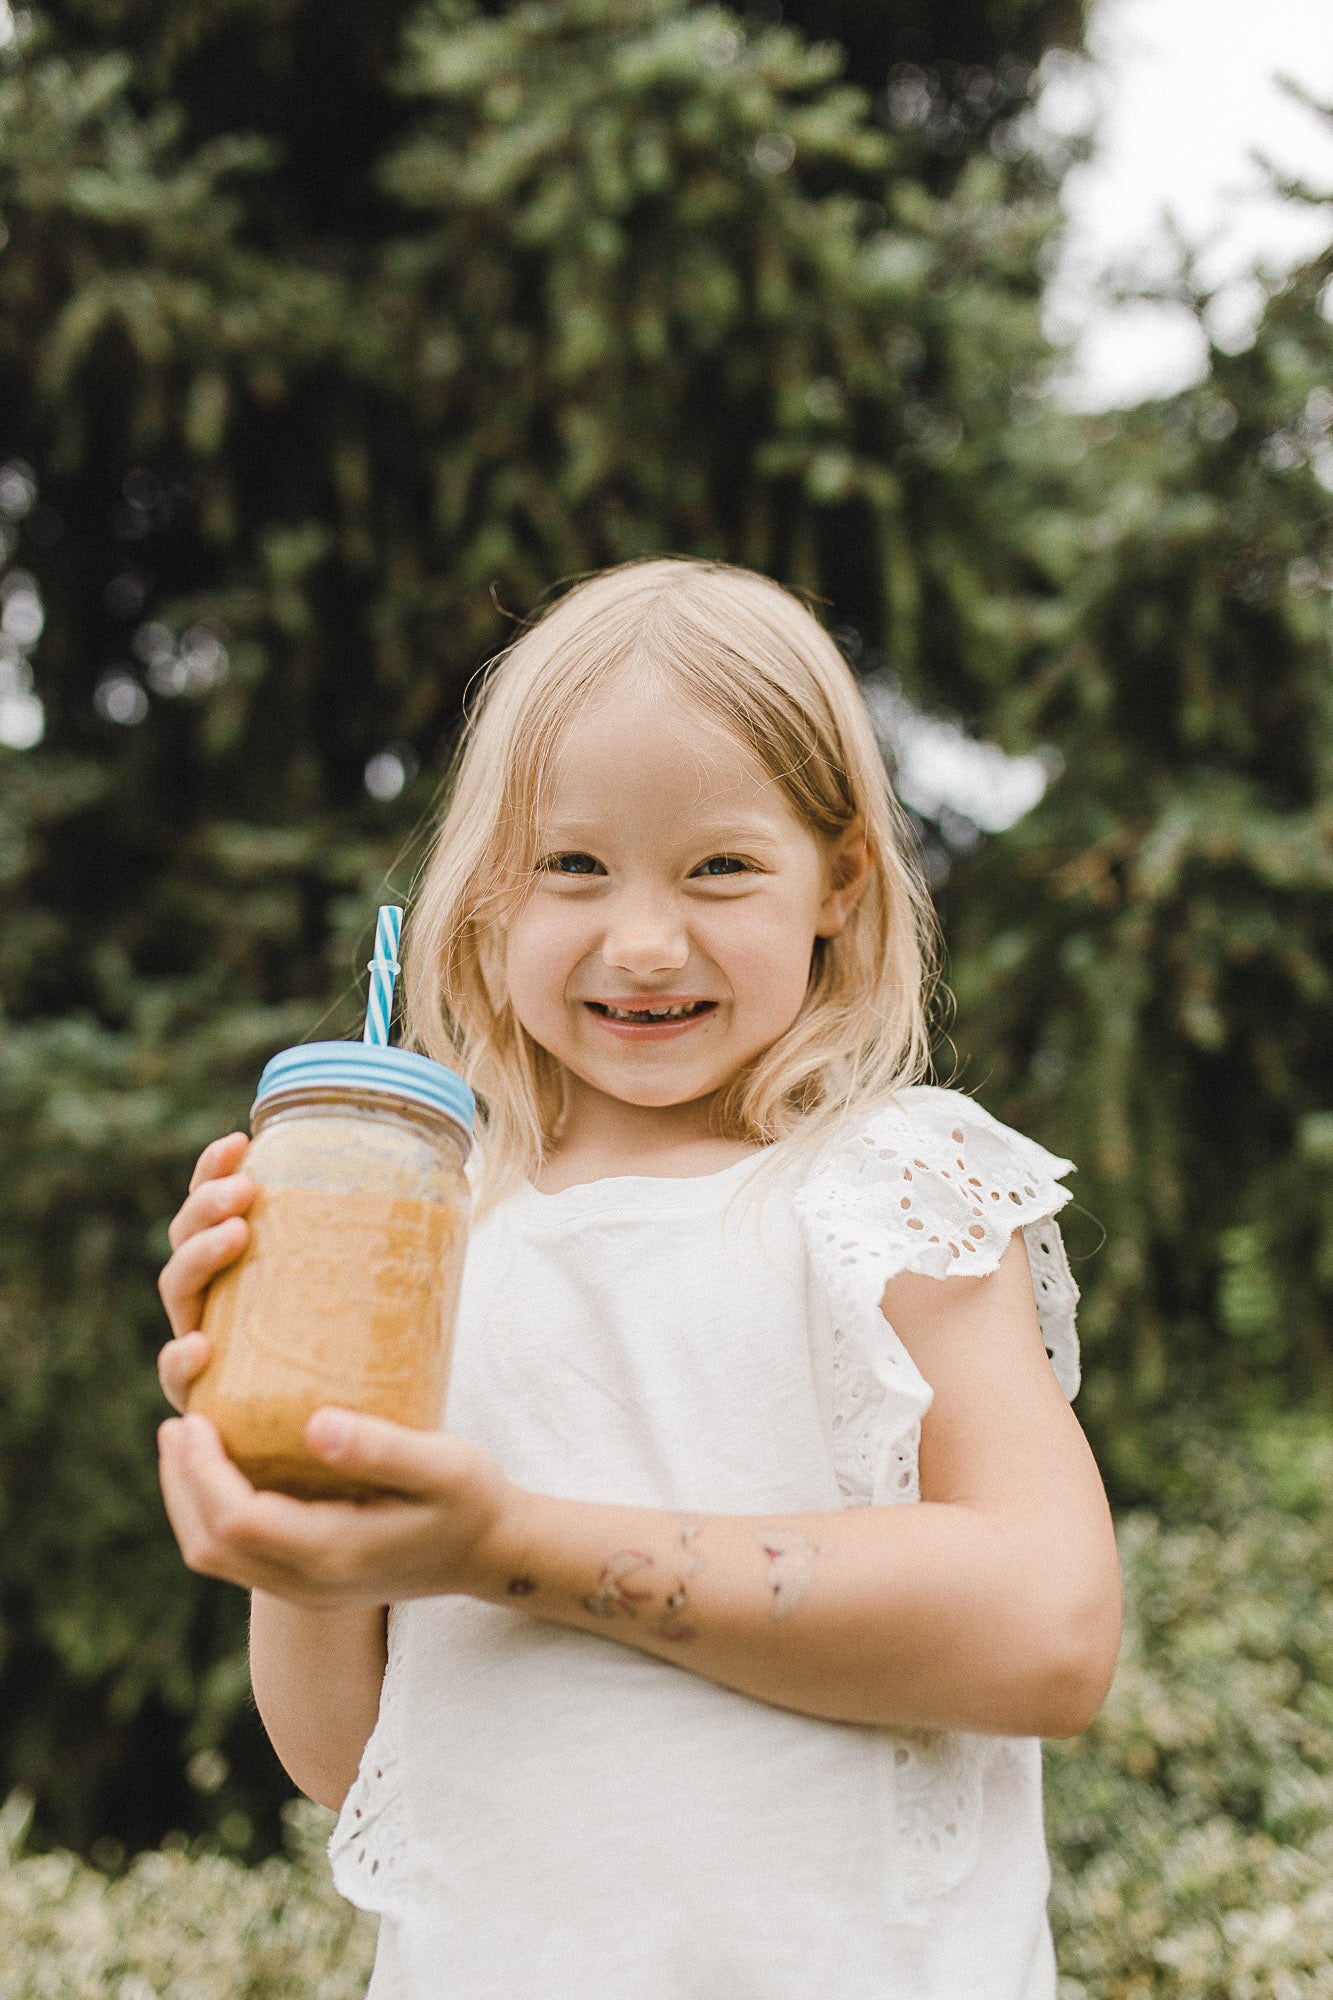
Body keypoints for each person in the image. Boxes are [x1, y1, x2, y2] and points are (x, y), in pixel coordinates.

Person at [156, 558, 1122, 2000]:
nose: (645, 941)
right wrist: (286, 1494)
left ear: (837, 883)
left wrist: (506, 1544)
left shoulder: (887, 1190)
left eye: (720, 866)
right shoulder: (431, 1250)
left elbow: (1047, 1634)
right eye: (573, 865)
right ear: (487, 896)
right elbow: (347, 1756)